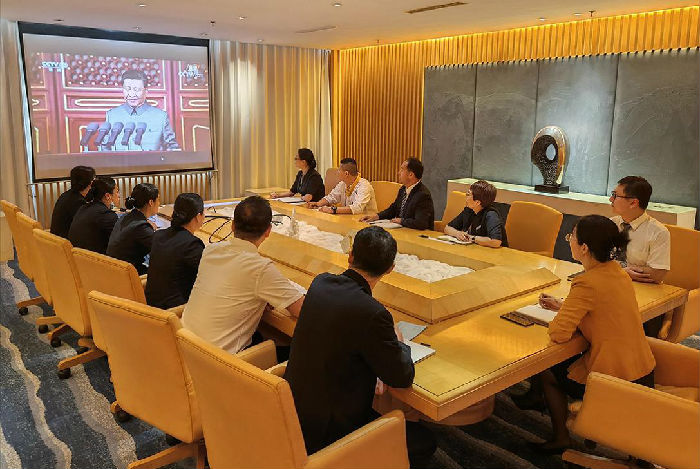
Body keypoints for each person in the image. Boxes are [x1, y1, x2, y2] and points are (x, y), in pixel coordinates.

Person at [284, 226, 436, 466]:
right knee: (424, 441)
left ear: (350, 256)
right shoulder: (373, 314)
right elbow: (402, 376)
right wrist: (399, 340)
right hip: (330, 432)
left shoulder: (320, 283)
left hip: (293, 412)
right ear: (390, 269)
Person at [520, 215, 655, 454]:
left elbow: (559, 333)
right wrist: (565, 306)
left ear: (583, 247)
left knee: (547, 370)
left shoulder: (586, 283)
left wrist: (566, 312)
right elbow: (605, 308)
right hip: (642, 368)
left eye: (571, 236)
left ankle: (560, 438)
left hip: (613, 379)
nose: (569, 240)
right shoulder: (618, 272)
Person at [182, 196, 305, 355]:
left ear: (232, 225)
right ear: (268, 231)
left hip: (185, 346)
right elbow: (303, 310)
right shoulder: (261, 268)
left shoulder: (211, 250)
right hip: (220, 361)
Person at [145, 193, 205, 309]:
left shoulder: (158, 235)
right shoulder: (192, 245)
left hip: (151, 306)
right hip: (175, 310)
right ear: (198, 216)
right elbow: (205, 280)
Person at [609, 176, 670, 284]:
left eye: (615, 195)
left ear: (633, 203)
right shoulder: (611, 224)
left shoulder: (658, 232)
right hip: (611, 281)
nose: (610, 199)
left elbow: (657, 274)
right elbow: (594, 259)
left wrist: (618, 271)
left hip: (642, 287)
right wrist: (622, 271)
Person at [105, 70, 180, 151]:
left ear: (146, 91)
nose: (131, 94)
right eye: (127, 89)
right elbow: (105, 148)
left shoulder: (161, 117)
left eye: (136, 90)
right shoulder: (112, 115)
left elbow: (173, 149)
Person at [360, 157, 435, 230]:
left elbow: (421, 223)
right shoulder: (403, 189)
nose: (398, 173)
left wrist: (402, 221)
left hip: (418, 235)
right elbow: (393, 209)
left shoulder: (423, 195)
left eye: (402, 169)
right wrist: (376, 216)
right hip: (403, 231)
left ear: (411, 175)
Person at [106, 183, 160, 275]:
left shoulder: (127, 216)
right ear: (151, 202)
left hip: (114, 270)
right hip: (127, 275)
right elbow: (161, 249)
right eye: (158, 200)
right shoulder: (141, 227)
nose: (159, 203)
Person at [443, 179, 506, 247]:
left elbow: (496, 242)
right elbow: (447, 228)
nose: (466, 197)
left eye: (468, 195)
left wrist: (472, 238)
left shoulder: (491, 215)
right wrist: (457, 233)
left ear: (477, 202)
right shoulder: (469, 210)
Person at [68, 177, 120, 254]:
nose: (119, 195)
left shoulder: (83, 208)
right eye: (117, 192)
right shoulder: (107, 216)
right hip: (96, 259)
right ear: (108, 196)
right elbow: (120, 244)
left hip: (78, 257)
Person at [307, 158, 377, 214]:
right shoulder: (342, 184)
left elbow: (357, 208)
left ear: (346, 174)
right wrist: (318, 204)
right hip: (349, 219)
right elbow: (331, 197)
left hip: (366, 221)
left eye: (339, 170)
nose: (337, 173)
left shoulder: (364, 186)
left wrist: (333, 210)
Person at [50, 165, 95, 238]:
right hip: (66, 242)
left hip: (57, 240)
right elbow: (87, 225)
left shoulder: (67, 195)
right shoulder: (77, 202)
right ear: (90, 183)